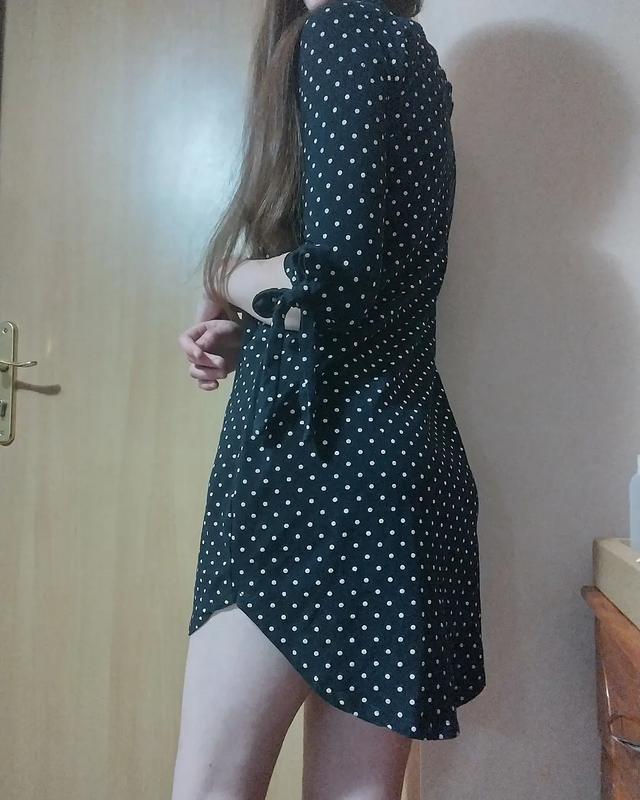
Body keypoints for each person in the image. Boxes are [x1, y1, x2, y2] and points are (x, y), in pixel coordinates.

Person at [173, 0, 485, 797]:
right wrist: (262, 336)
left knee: (212, 788)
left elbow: (331, 280)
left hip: (311, 471)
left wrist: (223, 275)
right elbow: (360, 296)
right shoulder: (410, 51)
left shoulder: (343, 31)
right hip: (396, 466)